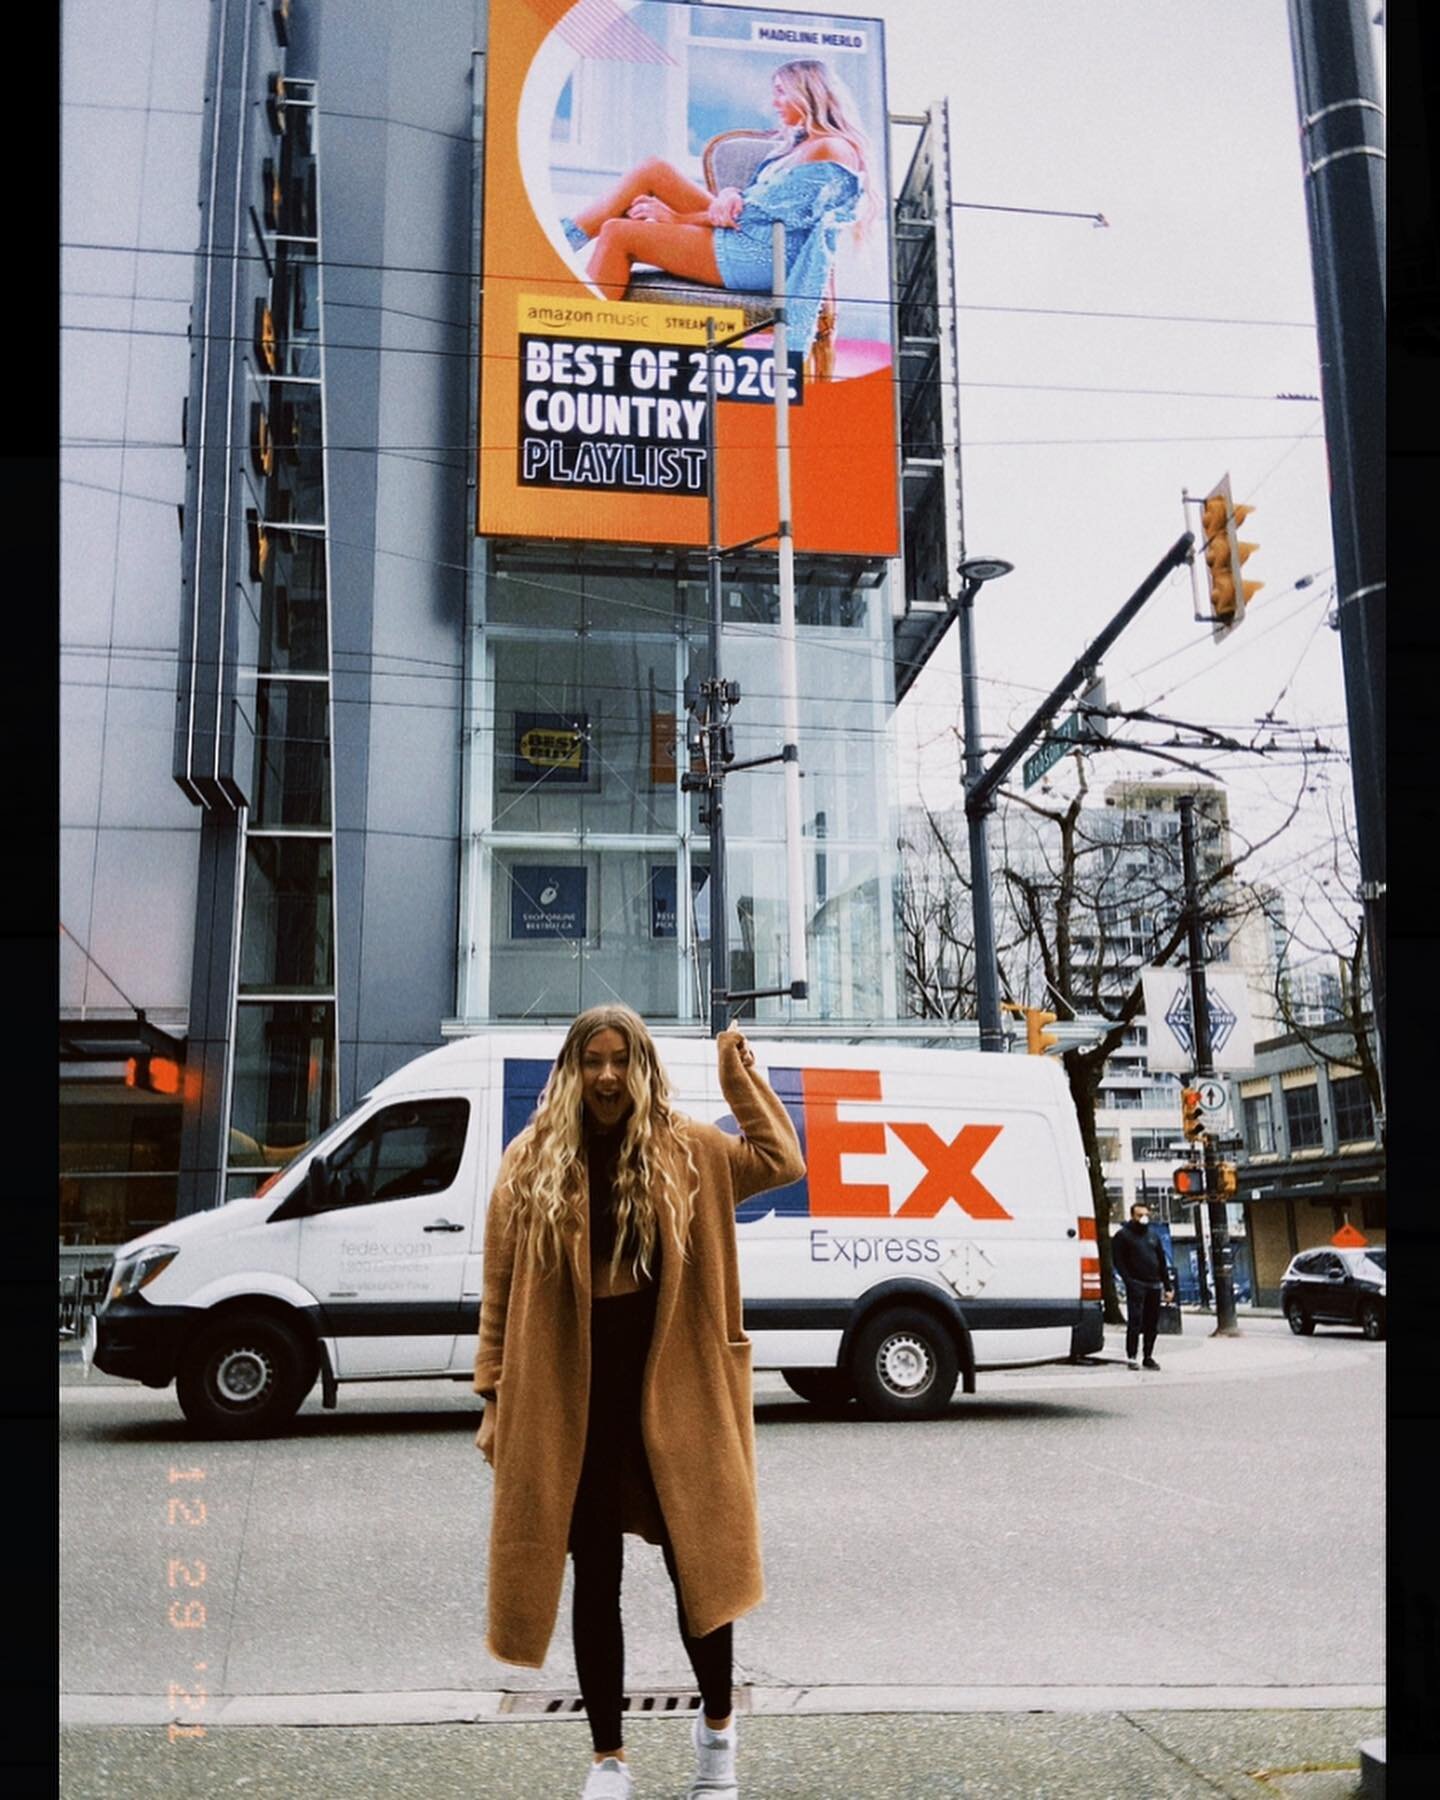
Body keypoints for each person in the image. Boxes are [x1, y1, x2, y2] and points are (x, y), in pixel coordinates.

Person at [474, 1005, 805, 1800]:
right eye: (593, 1060)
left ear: (644, 1066)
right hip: (573, 1402)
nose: (608, 1076)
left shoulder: (691, 1150)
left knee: (704, 1575)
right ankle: (608, 1761)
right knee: (597, 1577)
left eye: (622, 1059)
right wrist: (492, 1394)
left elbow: (781, 1159)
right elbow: (498, 1286)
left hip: (678, 1392)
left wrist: (739, 1075)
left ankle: (718, 1740)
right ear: (572, 1069)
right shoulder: (532, 1161)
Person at [560, 58, 878, 357]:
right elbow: (757, 202)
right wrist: (727, 192)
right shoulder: (805, 144)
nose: (774, 102)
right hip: (750, 234)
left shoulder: (829, 148)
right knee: (653, 170)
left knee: (618, 233)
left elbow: (765, 214)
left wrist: (675, 219)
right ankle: (563, 239)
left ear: (808, 93)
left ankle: (578, 343)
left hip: (760, 254)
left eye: (781, 92)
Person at [1112, 1201, 1177, 1370]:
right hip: (1136, 1283)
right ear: (1132, 1216)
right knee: (1135, 1321)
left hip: (1154, 1284)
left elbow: (1161, 1262)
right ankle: (1132, 1356)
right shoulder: (1123, 1236)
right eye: (1139, 1215)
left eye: (1145, 1215)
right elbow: (1118, 1261)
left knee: (1151, 1322)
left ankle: (1148, 1355)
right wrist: (1129, 1281)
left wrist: (1167, 1286)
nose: (1143, 1218)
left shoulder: (1153, 1236)